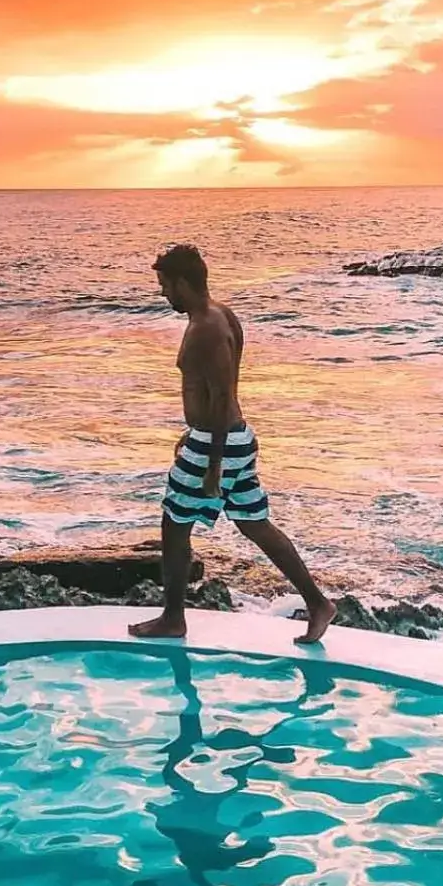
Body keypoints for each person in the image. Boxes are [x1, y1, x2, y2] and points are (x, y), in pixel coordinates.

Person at [129, 243, 337, 645]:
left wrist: (212, 463)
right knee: (252, 522)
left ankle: (173, 619)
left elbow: (222, 395)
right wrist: (196, 434)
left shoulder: (207, 328)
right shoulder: (221, 314)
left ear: (183, 283)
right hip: (225, 438)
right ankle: (318, 604)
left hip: (217, 445)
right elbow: (213, 395)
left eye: (165, 285)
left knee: (174, 526)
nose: (162, 294)